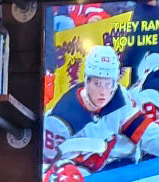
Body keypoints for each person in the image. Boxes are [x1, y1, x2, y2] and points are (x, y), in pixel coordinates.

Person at [43, 44, 137, 173]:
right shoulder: (60, 121)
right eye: (97, 83)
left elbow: (142, 130)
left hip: (113, 167)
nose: (103, 92)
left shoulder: (120, 96)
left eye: (108, 84)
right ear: (87, 81)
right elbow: (44, 169)